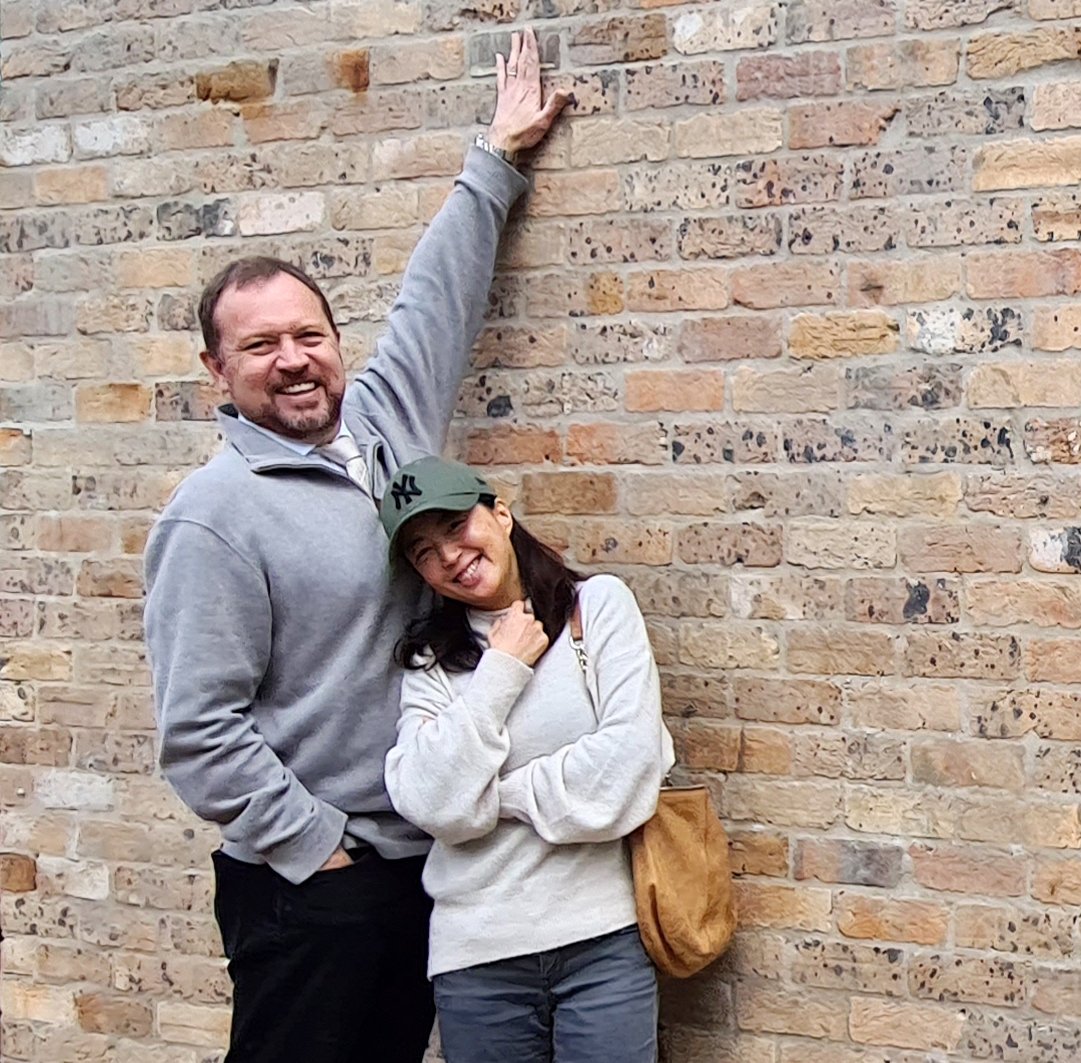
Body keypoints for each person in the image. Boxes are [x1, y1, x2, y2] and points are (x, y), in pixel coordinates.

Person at [143, 30, 569, 1063]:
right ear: (217, 367)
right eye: (258, 346)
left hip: (427, 866)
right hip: (312, 888)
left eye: (308, 335)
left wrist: (498, 158)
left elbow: (435, 301)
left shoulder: (384, 428)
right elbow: (199, 729)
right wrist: (318, 847)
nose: (292, 361)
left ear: (335, 340)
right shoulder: (213, 514)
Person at [379, 456, 675, 1063]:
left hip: (603, 945)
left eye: (456, 526)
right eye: (423, 553)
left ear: (501, 514)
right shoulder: (431, 664)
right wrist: (502, 670)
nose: (449, 556)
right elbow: (433, 806)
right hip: (477, 959)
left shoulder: (597, 609)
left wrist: (495, 797)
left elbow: (630, 768)